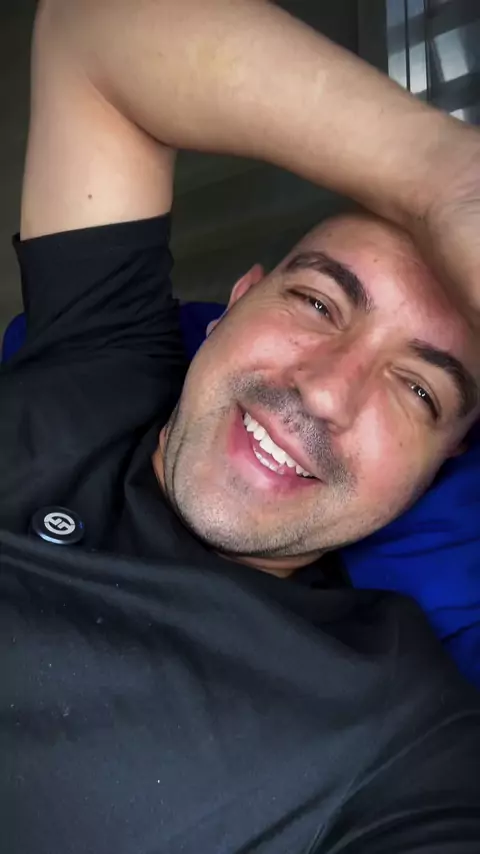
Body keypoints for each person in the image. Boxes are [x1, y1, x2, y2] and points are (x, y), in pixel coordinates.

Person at [1, 1, 479, 851]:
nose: (325, 393)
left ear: (441, 465)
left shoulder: (398, 733)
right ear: (236, 301)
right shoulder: (98, 353)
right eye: (318, 302)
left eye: (417, 391)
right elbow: (91, 29)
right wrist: (451, 183)